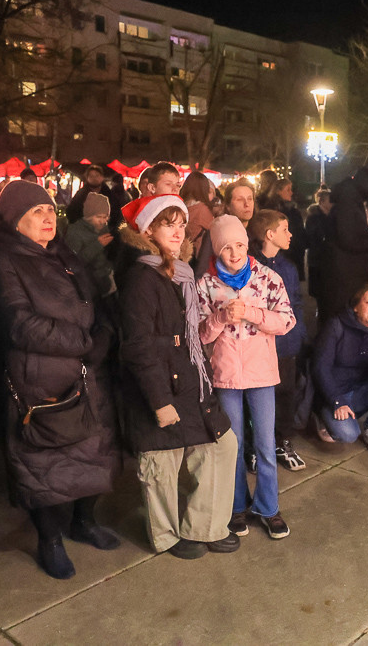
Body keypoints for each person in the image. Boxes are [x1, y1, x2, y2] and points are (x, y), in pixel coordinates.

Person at [0, 181, 120, 581]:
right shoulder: (3, 259)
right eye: (36, 213)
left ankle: (84, 521)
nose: (47, 219)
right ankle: (50, 539)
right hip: (41, 378)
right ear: (15, 221)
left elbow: (94, 299)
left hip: (87, 372)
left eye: (49, 211)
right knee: (46, 462)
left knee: (95, 451)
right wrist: (83, 342)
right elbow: (18, 322)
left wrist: (105, 333)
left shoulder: (63, 252)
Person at [116, 194, 240, 560]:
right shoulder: (141, 277)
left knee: (220, 446)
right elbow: (138, 345)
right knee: (161, 462)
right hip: (159, 382)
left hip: (188, 376)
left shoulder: (180, 272)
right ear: (148, 229)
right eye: (167, 224)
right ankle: (167, 536)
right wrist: (159, 400)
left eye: (181, 223)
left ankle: (206, 526)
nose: (177, 230)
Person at [197, 215, 295, 540]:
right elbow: (200, 334)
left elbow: (286, 321)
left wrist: (251, 312)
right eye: (226, 248)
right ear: (217, 250)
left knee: (266, 445)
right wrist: (221, 316)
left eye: (239, 245)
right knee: (233, 446)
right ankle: (237, 506)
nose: (235, 253)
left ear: (247, 244)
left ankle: (268, 508)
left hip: (262, 373)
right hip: (226, 376)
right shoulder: (207, 285)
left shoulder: (268, 278)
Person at [249, 209, 309, 471]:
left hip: (286, 344)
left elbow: (295, 303)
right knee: (259, 396)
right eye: (285, 229)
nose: (290, 234)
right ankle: (255, 445)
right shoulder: (250, 265)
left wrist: (298, 335)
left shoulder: (288, 267)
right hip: (260, 344)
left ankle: (283, 441)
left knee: (286, 393)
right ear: (269, 234)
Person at [312, 285, 368, 451]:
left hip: (358, 392)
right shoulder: (336, 326)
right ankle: (321, 416)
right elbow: (320, 367)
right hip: (333, 394)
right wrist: (337, 400)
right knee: (348, 435)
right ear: (356, 306)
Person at [317, 168, 368, 322]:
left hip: (345, 270)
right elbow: (347, 238)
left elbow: (351, 231)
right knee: (342, 314)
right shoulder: (349, 202)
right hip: (345, 272)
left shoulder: (349, 198)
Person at [65, 193, 116, 299]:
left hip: (106, 286)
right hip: (88, 289)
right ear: (89, 216)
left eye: (105, 217)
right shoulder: (75, 232)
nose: (103, 221)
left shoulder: (104, 229)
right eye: (98, 217)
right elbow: (72, 263)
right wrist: (98, 245)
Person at [259, 178, 307, 280]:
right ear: (278, 191)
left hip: (293, 254)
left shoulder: (292, 210)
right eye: (288, 189)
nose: (291, 192)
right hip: (281, 256)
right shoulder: (273, 211)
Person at [66, 165, 126, 234]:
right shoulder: (81, 195)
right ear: (87, 178)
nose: (94, 178)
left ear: (102, 177)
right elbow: (71, 212)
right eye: (91, 176)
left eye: (97, 175)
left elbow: (117, 213)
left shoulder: (109, 194)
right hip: (84, 233)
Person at [179, 170, 215, 256]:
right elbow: (214, 231)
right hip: (195, 255)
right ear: (204, 188)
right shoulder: (202, 210)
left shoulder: (179, 206)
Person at [305, 187, 332, 299]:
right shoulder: (314, 218)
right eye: (329, 201)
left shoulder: (332, 216)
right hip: (317, 259)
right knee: (319, 290)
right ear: (321, 201)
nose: (332, 203)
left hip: (328, 259)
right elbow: (312, 238)